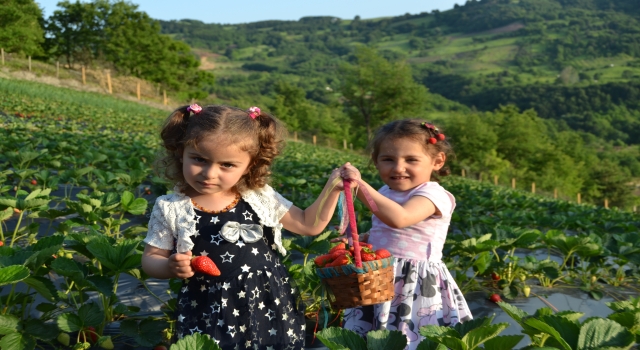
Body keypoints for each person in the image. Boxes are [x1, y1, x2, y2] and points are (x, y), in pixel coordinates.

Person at [141, 104, 351, 350]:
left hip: (269, 303)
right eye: (198, 159)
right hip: (208, 307)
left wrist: (333, 188)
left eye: (227, 165)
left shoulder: (258, 196)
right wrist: (168, 266)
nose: (209, 173)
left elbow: (307, 224)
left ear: (249, 165)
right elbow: (151, 258)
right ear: (180, 152)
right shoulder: (171, 206)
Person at [340, 119, 472, 350]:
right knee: (372, 337)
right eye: (388, 159)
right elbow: (387, 229)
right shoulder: (384, 191)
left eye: (411, 160)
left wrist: (359, 186)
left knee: (410, 336)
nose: (398, 168)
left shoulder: (434, 194)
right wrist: (365, 239)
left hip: (414, 282)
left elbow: (400, 219)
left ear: (437, 161)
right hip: (377, 279)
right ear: (376, 161)